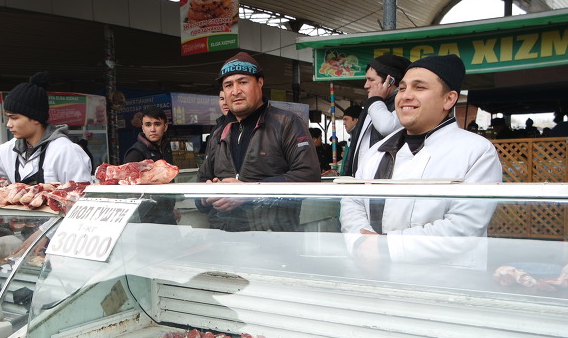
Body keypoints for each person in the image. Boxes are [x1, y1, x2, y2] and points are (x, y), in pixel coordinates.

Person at [339, 54, 502, 269]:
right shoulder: (378, 150)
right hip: (375, 273)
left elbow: (463, 226)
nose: (405, 96)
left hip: (443, 281)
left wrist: (385, 247)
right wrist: (361, 242)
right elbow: (352, 201)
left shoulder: (477, 151)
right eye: (403, 88)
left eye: (419, 88)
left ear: (449, 99)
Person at [196, 51, 320, 231]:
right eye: (228, 85)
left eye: (243, 82)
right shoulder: (219, 133)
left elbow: (309, 175)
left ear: (260, 82)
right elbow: (201, 181)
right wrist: (205, 197)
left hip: (272, 237)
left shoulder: (287, 123)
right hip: (222, 236)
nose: (235, 91)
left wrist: (249, 192)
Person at [0, 72, 92, 184]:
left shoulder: (66, 151)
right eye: (8, 118)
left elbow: (80, 198)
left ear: (35, 118)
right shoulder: (11, 150)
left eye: (14, 118)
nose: (8, 124)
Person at [339, 54, 410, 176]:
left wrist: (375, 101)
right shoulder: (371, 106)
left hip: (381, 180)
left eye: (371, 80)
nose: (366, 85)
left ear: (390, 81)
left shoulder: (404, 104)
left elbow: (387, 127)